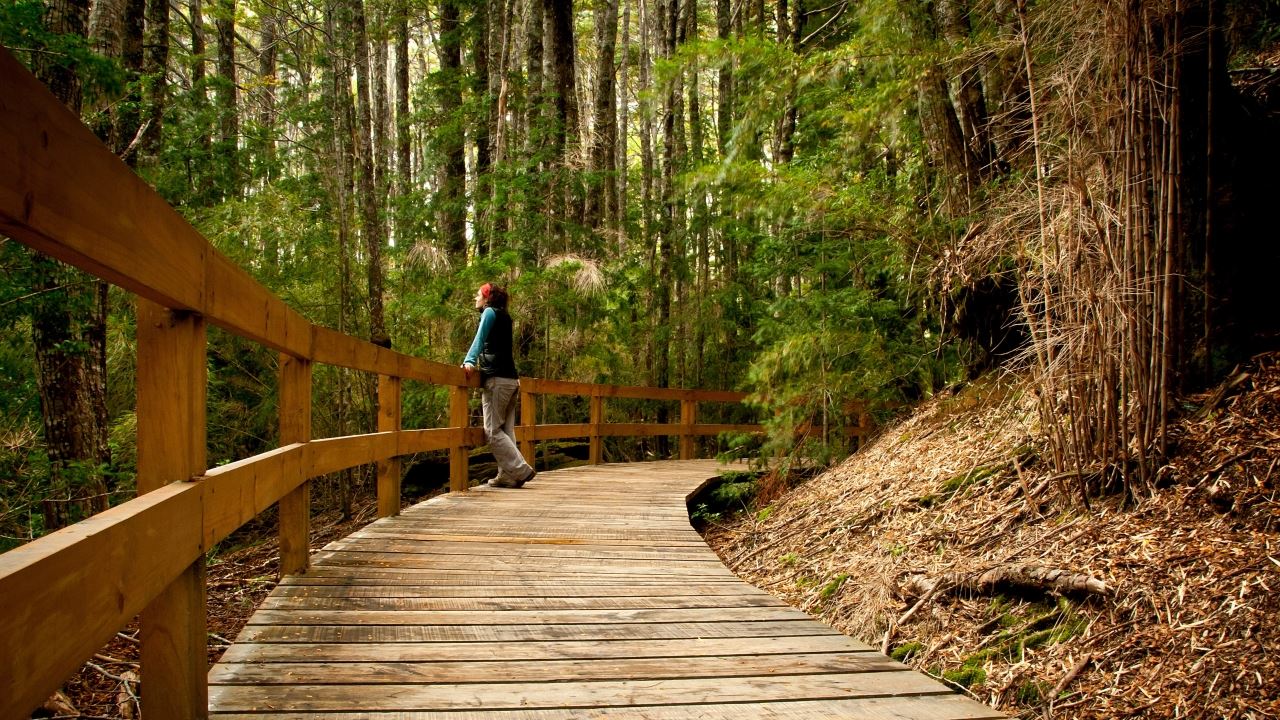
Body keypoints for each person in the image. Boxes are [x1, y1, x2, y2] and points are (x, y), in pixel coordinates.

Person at [461, 283, 536, 488]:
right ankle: (507, 475)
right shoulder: (505, 316)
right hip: (512, 379)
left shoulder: (489, 313)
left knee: (492, 431)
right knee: (506, 430)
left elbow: (480, 338)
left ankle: (521, 470)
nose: (475, 298)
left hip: (497, 380)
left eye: (478, 295)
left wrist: (469, 360)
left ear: (487, 298)